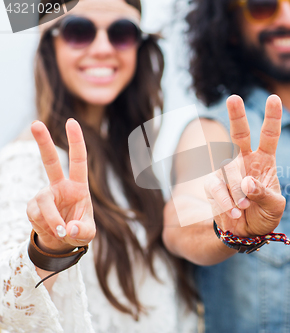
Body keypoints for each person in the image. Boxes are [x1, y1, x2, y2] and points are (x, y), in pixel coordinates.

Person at [163, 0, 290, 331]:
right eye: (262, 6)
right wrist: (227, 229)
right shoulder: (214, 131)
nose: (288, 19)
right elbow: (180, 221)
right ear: (230, 27)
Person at [0, 0, 197, 331]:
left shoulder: (135, 162)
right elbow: (7, 306)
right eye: (79, 31)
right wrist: (49, 247)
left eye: (122, 33)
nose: (104, 48)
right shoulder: (26, 161)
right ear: (51, 47)